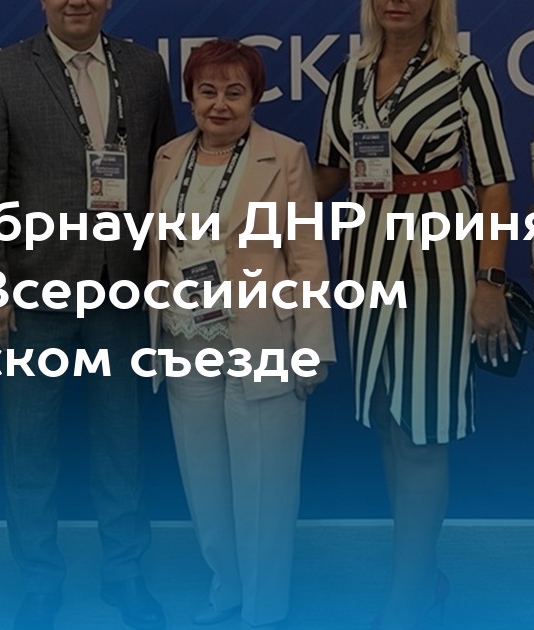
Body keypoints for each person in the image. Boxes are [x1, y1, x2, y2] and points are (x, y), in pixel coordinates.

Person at [0, 0, 176, 628]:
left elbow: (167, 173)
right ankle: (39, 582)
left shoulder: (145, 68)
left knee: (122, 441)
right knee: (29, 443)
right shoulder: (2, 71)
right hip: (33, 292)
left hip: (122, 288)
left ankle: (126, 574)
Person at [315, 1, 516, 628]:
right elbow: (327, 174)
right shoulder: (347, 75)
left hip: (441, 258)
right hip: (366, 253)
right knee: (386, 417)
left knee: (423, 426)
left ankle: (407, 593)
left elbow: (495, 184)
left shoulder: (465, 73)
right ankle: (421, 573)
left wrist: (490, 280)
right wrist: (243, 184)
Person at [145, 40, 334, 630]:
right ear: (190, 96)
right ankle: (226, 587)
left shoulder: (285, 155)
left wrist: (312, 348)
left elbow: (307, 257)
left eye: (234, 92)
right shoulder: (168, 156)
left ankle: (264, 607)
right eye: (207, 91)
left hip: (262, 339)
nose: (219, 104)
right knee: (204, 481)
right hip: (185, 337)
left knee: (264, 485)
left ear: (254, 97)